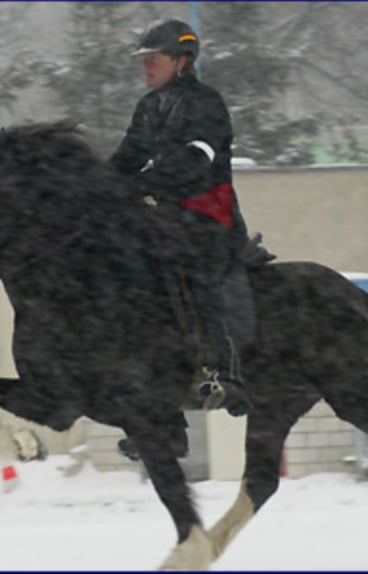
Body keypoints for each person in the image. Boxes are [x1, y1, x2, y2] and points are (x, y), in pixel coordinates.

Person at [109, 18, 253, 461]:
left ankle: (224, 373)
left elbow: (197, 159)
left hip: (209, 214)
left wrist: (146, 182)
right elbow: (126, 159)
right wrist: (92, 186)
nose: (146, 67)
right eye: (144, 61)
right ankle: (163, 419)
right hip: (168, 217)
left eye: (154, 59)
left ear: (182, 60)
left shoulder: (207, 103)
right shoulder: (149, 107)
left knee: (196, 274)